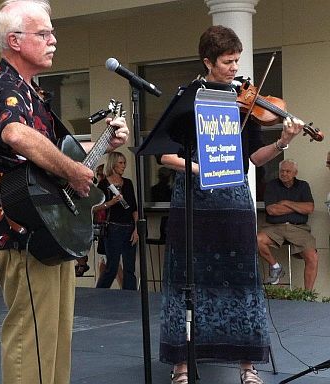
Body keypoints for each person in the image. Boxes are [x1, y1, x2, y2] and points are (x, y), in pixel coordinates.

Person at [0, 1, 129, 383]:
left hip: (48, 228)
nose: (54, 40)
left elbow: (60, 157)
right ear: (14, 41)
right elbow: (15, 134)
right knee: (31, 338)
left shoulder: (33, 94)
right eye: (43, 33)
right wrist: (74, 171)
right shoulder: (0, 87)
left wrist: (103, 145)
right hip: (21, 231)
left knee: (55, 336)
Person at [158, 25, 305, 384]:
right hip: (193, 196)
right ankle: (181, 364)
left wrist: (283, 142)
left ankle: (247, 365)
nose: (234, 68)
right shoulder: (189, 97)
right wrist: (201, 168)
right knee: (186, 276)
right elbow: (164, 154)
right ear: (208, 61)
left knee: (242, 275)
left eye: (237, 60)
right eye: (227, 61)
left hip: (234, 196)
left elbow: (254, 157)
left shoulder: (245, 101)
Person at [257, 159, 318, 290]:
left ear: (295, 173)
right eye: (282, 171)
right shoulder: (272, 185)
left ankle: (307, 295)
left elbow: (309, 208)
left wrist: (285, 202)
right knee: (257, 240)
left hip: (298, 228)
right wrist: (297, 207)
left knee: (312, 257)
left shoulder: (303, 186)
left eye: (288, 171)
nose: (284, 174)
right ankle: (276, 267)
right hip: (275, 227)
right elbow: (271, 210)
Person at [95, 152, 138, 290]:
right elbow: (94, 207)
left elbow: (134, 208)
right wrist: (111, 202)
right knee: (112, 267)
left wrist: (137, 229)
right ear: (113, 164)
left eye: (124, 163)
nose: (123, 166)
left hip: (129, 227)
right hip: (113, 228)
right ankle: (99, 295)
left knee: (129, 269)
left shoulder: (128, 183)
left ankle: (129, 300)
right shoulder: (104, 184)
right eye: (120, 163)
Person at [94, 163, 124, 287]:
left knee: (108, 260)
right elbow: (96, 208)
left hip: (105, 225)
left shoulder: (106, 188)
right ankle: (103, 287)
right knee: (110, 260)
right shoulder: (101, 188)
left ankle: (101, 287)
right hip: (104, 226)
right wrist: (109, 203)